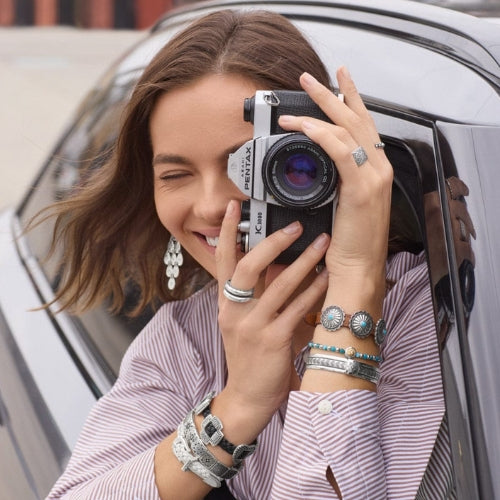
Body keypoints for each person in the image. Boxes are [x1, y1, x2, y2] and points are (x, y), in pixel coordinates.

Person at [43, 9, 452, 500]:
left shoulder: (433, 312)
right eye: (175, 175)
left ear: (318, 164)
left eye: (246, 165)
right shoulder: (188, 339)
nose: (212, 205)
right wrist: (238, 405)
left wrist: (357, 283)